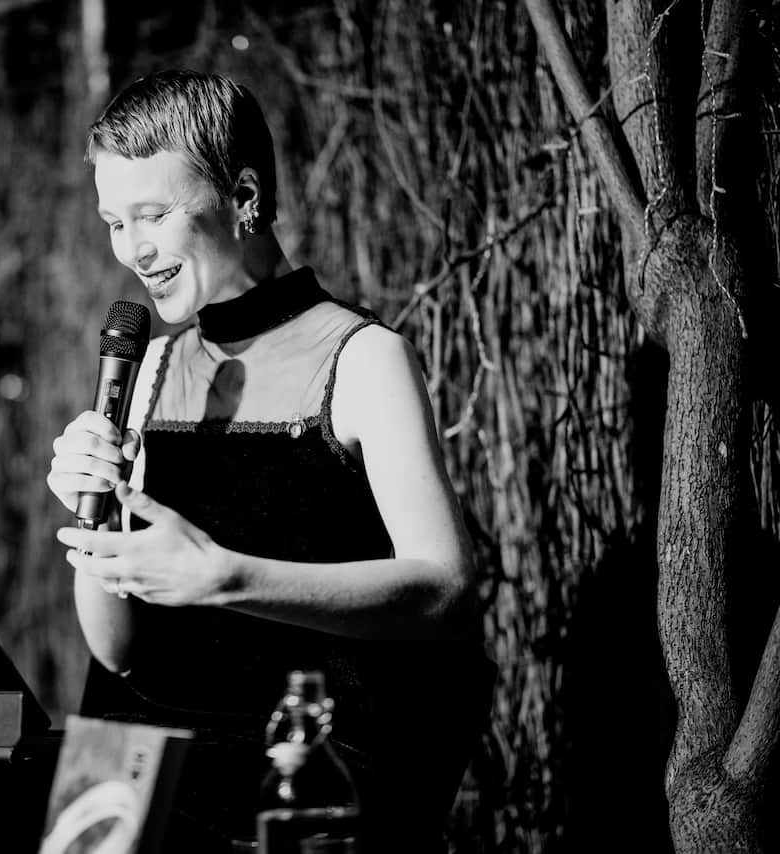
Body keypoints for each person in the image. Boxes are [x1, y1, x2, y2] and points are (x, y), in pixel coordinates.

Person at [46, 69, 492, 852]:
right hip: (140, 751)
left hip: (299, 761)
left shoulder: (363, 359)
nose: (133, 251)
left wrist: (226, 578)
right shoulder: (147, 370)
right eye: (115, 222)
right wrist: (96, 518)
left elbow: (448, 592)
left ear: (244, 196)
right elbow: (116, 653)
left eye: (152, 215)